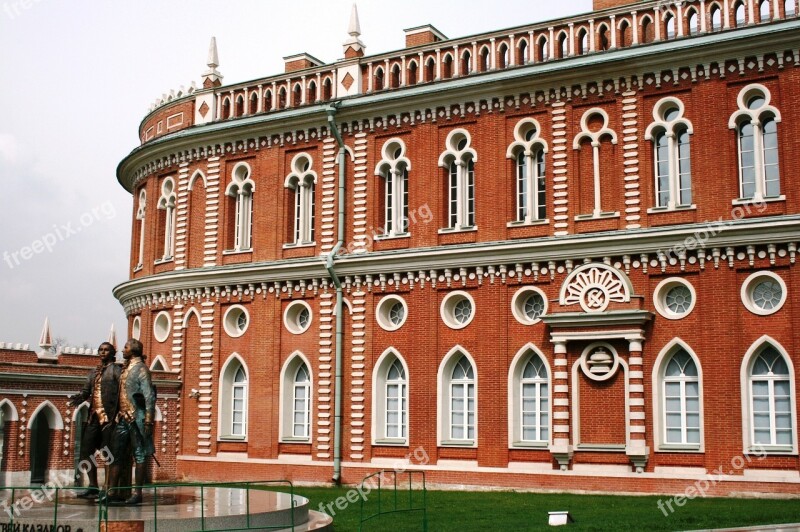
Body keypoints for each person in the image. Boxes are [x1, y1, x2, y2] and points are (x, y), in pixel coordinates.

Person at [100, 338, 155, 506]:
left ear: (134, 350)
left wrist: (147, 420)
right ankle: (112, 490)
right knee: (115, 453)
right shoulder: (125, 369)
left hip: (136, 418)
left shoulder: (141, 369)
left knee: (139, 454)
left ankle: (137, 493)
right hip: (122, 417)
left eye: (125, 347)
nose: (122, 350)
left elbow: (148, 395)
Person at [68, 342, 121, 499]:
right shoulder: (93, 373)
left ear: (112, 353)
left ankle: (108, 488)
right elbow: (86, 391)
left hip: (108, 418)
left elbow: (122, 393)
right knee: (86, 451)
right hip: (93, 416)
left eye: (106, 350)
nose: (102, 352)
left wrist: (119, 413)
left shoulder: (116, 371)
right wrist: (80, 397)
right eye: (100, 350)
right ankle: (93, 486)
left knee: (107, 453)